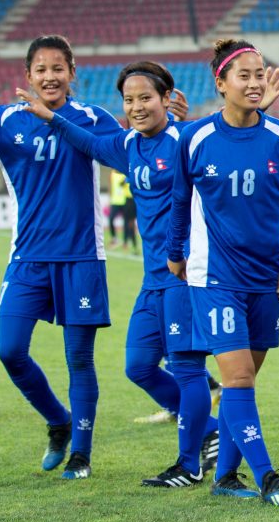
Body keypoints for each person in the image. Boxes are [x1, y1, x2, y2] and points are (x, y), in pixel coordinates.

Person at [0, 35, 122, 479]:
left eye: (58, 68)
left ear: (72, 73)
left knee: (79, 360)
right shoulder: (5, 120)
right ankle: (58, 420)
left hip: (81, 258)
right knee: (10, 350)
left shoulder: (92, 119)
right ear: (27, 75)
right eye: (41, 69)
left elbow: (127, 153)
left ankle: (81, 455)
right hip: (28, 258)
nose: (50, 77)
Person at [21, 61, 221, 488]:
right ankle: (211, 430)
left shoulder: (186, 139)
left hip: (185, 276)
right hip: (152, 280)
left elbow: (231, 137)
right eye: (129, 100)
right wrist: (52, 117)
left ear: (167, 99)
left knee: (187, 370)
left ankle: (189, 464)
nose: (136, 107)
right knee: (139, 366)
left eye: (145, 98)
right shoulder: (128, 144)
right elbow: (89, 142)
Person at [166, 39, 279, 505]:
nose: (254, 82)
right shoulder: (195, 138)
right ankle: (268, 477)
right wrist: (175, 252)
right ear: (221, 83)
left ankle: (226, 477)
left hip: (265, 275)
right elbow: (179, 202)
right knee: (240, 377)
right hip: (215, 275)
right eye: (243, 75)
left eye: (259, 74)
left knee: (240, 383)